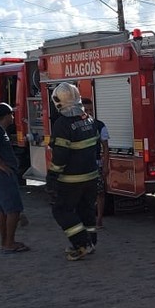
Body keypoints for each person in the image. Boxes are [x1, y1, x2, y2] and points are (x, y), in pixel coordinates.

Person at [46, 83, 100, 261]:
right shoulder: (88, 119)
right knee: (86, 209)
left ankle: (81, 244)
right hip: (91, 176)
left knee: (61, 210)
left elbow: (60, 154)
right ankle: (90, 242)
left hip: (71, 179)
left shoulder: (62, 124)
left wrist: (52, 176)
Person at [0, 102, 29, 254]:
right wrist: (1, 164)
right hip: (2, 175)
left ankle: (5, 242)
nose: (13, 117)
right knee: (13, 210)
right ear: (6, 116)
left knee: (2, 210)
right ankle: (9, 243)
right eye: (11, 114)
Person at [82, 98, 110, 228]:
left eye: (91, 110)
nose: (89, 112)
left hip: (96, 164)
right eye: (86, 110)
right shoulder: (75, 127)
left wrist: (105, 166)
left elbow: (105, 147)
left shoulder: (99, 125)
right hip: (81, 166)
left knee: (100, 192)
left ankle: (99, 219)